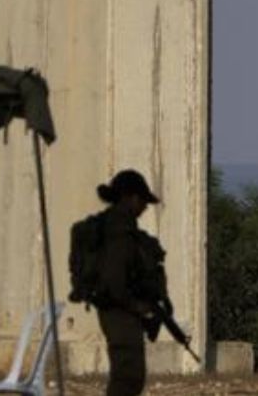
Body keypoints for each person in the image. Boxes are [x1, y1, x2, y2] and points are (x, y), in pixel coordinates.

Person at [94, 169, 165, 396]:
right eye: (142, 201)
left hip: (122, 310)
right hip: (119, 311)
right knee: (127, 377)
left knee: (131, 377)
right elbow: (115, 281)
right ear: (131, 198)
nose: (144, 207)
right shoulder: (119, 230)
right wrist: (138, 307)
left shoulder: (122, 227)